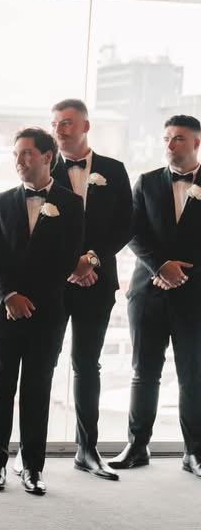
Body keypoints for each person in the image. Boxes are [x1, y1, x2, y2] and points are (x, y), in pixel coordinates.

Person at [0, 127, 84, 496]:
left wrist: (30, 300)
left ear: (47, 157)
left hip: (46, 312)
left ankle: (33, 468)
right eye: (16, 155)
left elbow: (65, 260)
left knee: (38, 391)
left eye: (27, 153)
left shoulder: (71, 204)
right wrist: (9, 295)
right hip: (2, 312)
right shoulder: (2, 200)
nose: (20, 161)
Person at [109, 114, 201, 478]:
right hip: (147, 292)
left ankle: (194, 451)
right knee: (143, 372)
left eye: (178, 138)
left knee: (193, 374)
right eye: (166, 138)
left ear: (196, 143)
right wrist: (161, 267)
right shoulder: (146, 182)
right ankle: (137, 445)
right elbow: (131, 231)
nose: (170, 144)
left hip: (195, 295)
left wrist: (181, 273)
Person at [47, 99, 132, 481]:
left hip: (97, 282)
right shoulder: (44, 169)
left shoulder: (114, 170)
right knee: (40, 366)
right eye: (55, 124)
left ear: (85, 126)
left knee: (87, 365)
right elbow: (36, 227)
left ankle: (87, 449)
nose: (59, 130)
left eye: (66, 123)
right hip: (53, 283)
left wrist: (92, 260)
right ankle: (29, 451)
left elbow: (126, 224)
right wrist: (71, 265)